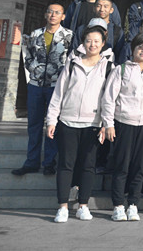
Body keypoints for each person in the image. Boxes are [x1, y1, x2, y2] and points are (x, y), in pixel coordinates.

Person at [45, 25, 113, 222]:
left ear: (103, 44)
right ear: (83, 42)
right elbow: (59, 93)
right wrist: (51, 120)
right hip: (68, 121)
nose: (92, 44)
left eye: (96, 41)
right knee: (65, 165)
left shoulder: (108, 67)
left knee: (88, 166)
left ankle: (83, 205)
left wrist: (106, 123)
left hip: (92, 123)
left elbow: (108, 99)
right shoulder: (72, 63)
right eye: (89, 40)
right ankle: (63, 206)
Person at [100, 33, 143, 222]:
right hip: (124, 122)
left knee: (139, 167)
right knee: (122, 166)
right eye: (140, 47)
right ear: (133, 48)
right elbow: (109, 98)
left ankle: (133, 204)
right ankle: (118, 205)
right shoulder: (121, 70)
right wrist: (108, 123)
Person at [14, 4, 74, 177]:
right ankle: (31, 162)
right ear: (45, 14)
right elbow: (28, 56)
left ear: (63, 16)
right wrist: (35, 70)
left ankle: (49, 162)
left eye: (57, 12)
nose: (53, 15)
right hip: (35, 85)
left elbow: (71, 60)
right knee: (34, 124)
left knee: (52, 124)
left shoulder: (69, 35)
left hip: (56, 86)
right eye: (49, 11)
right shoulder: (36, 34)